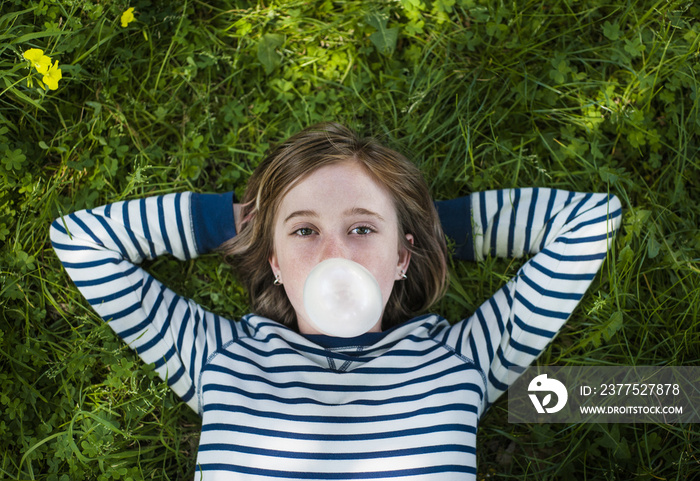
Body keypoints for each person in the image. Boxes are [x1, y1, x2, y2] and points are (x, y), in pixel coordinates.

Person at [50, 122, 622, 480]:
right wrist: (246, 221)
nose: (334, 255)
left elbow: (589, 220)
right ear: (273, 262)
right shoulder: (218, 359)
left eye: (361, 230)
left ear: (403, 257)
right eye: (303, 232)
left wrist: (412, 224)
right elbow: (79, 240)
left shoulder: (462, 361)